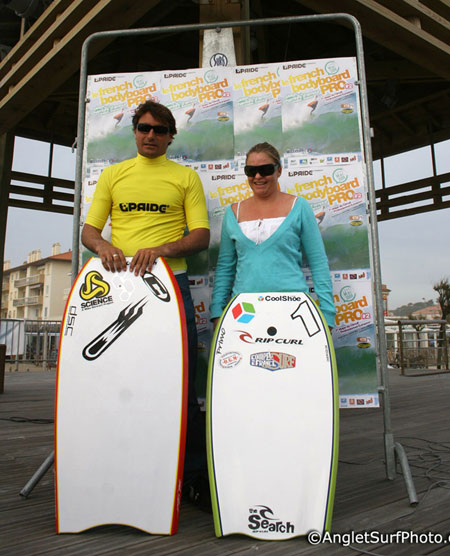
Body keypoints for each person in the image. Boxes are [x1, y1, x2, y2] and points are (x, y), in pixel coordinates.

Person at [81, 100, 210, 501]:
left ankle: (189, 477)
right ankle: (117, 468)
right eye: (143, 128)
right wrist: (102, 245)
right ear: (134, 131)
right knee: (118, 379)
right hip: (119, 291)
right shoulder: (113, 176)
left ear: (171, 135)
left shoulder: (186, 178)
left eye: (158, 129)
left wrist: (160, 248)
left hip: (172, 286)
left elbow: (200, 236)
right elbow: (89, 231)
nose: (150, 135)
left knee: (181, 381)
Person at [210, 142, 335, 329]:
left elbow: (318, 263)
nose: (258, 176)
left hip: (292, 310)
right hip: (244, 312)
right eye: (251, 171)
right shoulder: (232, 212)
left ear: (279, 171)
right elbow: (225, 268)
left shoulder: (300, 207)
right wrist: (217, 312)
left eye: (265, 169)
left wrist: (327, 316)